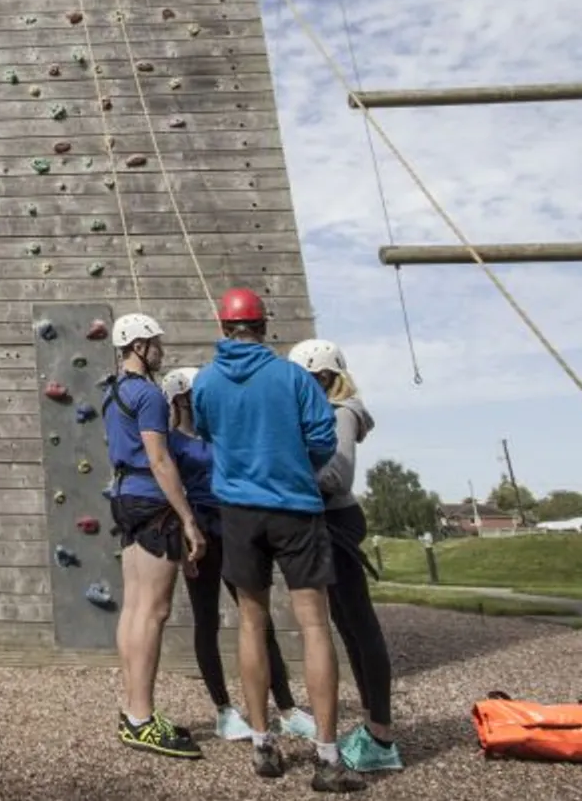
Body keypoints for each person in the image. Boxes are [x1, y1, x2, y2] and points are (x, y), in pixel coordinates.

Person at [190, 289, 365, 794]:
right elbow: (322, 438)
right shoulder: (291, 375)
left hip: (239, 513)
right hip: (296, 508)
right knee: (314, 626)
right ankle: (327, 757)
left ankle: (263, 744)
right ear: (263, 327)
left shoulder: (206, 381)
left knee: (250, 622)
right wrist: (294, 467)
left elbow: (205, 429)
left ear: (223, 328)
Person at [159, 366, 316, 745]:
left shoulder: (223, 433)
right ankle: (224, 711)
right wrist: (185, 532)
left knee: (257, 617)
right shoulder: (172, 443)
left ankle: (287, 709)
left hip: (235, 528)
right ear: (181, 398)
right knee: (206, 620)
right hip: (199, 532)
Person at [289, 339, 403, 774]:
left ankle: (381, 735)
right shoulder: (324, 411)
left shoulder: (342, 413)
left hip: (337, 520)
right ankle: (376, 726)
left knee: (361, 624)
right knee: (347, 626)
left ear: (321, 377)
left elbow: (336, 475)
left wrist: (283, 468)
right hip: (326, 522)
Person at [100, 311, 208, 759]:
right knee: (155, 611)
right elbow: (161, 460)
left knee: (134, 608)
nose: (161, 350)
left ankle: (133, 709)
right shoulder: (147, 395)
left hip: (124, 496)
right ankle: (142, 718)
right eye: (156, 343)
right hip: (151, 499)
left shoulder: (111, 393)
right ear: (139, 346)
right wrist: (187, 517)